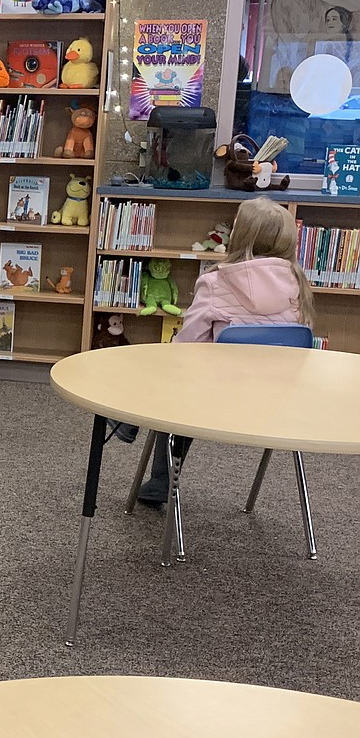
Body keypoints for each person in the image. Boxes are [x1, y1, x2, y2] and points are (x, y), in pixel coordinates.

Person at [134, 196, 315, 507]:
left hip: (216, 400)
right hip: (278, 403)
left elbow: (188, 344)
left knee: (166, 389)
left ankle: (157, 474)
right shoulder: (297, 285)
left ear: (239, 234)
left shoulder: (215, 282)